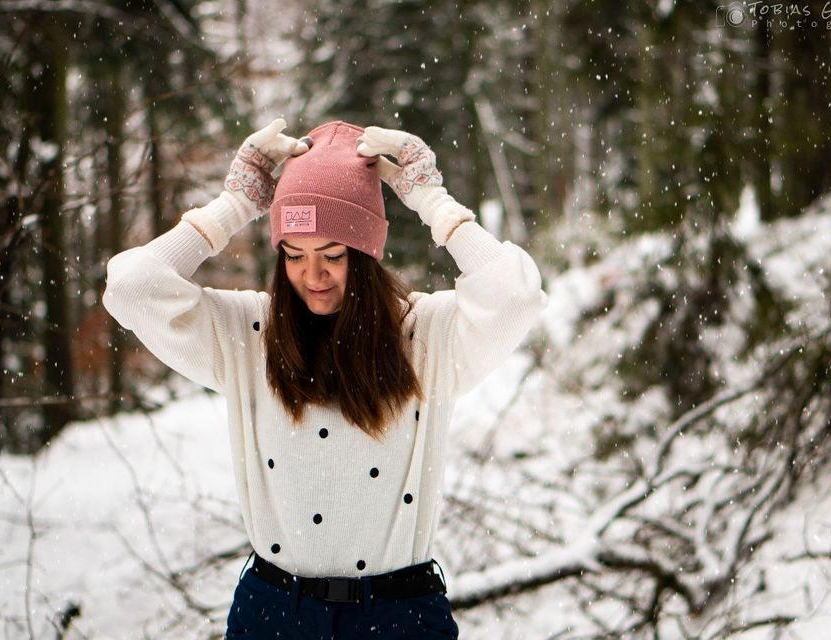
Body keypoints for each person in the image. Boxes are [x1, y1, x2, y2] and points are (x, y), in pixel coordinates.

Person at [102, 117, 547, 639]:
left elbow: (516, 297)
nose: (312, 276)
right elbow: (130, 286)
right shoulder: (250, 334)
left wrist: (433, 201)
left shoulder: (425, 337)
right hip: (273, 612)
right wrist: (235, 205)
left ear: (364, 256)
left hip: (397, 616)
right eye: (294, 254)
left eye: (333, 256)